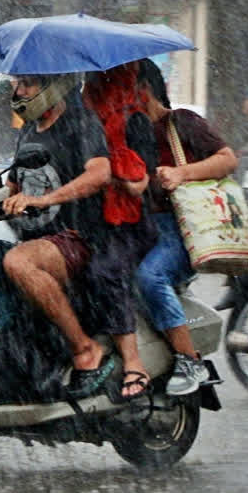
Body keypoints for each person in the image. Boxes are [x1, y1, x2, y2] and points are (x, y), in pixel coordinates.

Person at [0, 73, 118, 396]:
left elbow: (100, 174)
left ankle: (85, 349)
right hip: (37, 240)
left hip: (76, 236)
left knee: (18, 263)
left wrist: (44, 199)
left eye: (27, 84)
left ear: (52, 85)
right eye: (15, 84)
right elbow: (10, 186)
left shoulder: (81, 122)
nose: (19, 92)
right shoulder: (27, 130)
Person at [134, 58, 236, 396]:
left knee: (150, 277)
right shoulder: (127, 133)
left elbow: (226, 159)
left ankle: (189, 359)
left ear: (144, 90)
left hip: (183, 229)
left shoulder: (181, 123)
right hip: (142, 228)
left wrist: (181, 174)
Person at [81, 62, 156, 401]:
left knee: (104, 271)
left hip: (130, 225)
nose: (95, 85)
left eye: (104, 79)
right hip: (89, 218)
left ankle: (133, 361)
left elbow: (142, 183)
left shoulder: (133, 120)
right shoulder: (81, 119)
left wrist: (110, 176)